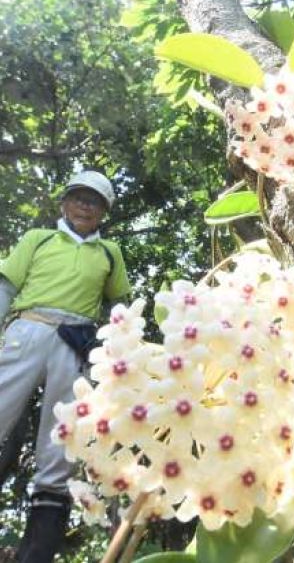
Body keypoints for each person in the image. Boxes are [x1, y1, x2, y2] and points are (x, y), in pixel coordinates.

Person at [0, 170, 131, 563]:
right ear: (64, 202)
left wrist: (115, 358)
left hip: (74, 343)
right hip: (29, 329)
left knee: (61, 437)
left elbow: (119, 309)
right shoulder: (38, 239)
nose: (84, 206)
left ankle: (37, 551)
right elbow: (6, 286)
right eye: (78, 198)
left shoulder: (109, 252)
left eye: (94, 202)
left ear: (103, 212)